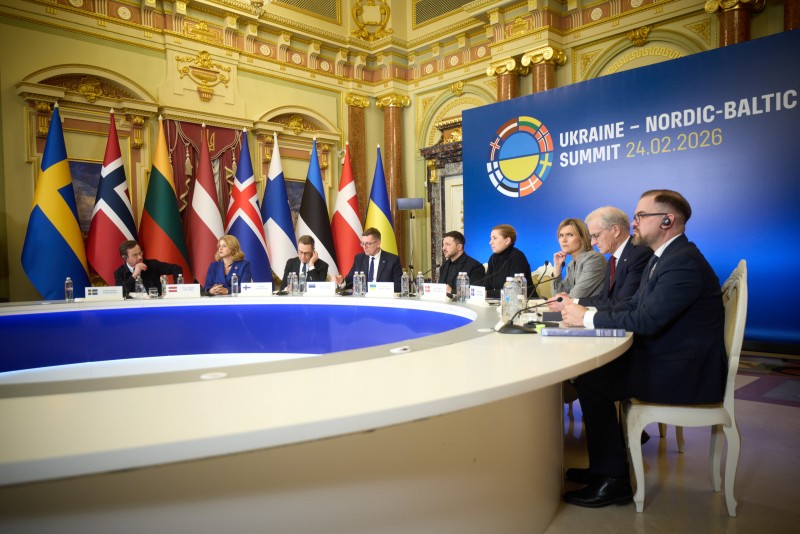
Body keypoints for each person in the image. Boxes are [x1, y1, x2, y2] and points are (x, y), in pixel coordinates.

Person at [560, 190, 727, 508]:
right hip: (670, 359)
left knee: (593, 382)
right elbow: (633, 305)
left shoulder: (682, 262)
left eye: (640, 216)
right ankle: (604, 469)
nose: (633, 222)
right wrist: (587, 313)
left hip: (685, 373)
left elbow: (647, 320)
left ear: (667, 220)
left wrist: (586, 317)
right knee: (591, 376)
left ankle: (614, 481)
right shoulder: (664, 257)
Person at [549, 207, 652, 312]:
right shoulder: (613, 259)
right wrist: (573, 301)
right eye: (560, 235)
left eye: (596, 236)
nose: (593, 242)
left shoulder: (639, 254)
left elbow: (623, 303)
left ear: (615, 230)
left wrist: (573, 304)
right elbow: (603, 297)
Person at [549, 218, 606, 300]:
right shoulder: (571, 264)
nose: (564, 240)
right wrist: (557, 268)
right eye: (561, 235)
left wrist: (560, 300)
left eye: (570, 235)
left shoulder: (594, 259)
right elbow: (557, 296)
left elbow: (576, 296)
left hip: (593, 308)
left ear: (582, 238)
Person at [333, 227, 403, 292]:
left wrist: (378, 288)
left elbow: (399, 285)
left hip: (383, 298)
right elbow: (350, 280)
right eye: (362, 243)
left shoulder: (392, 260)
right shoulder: (359, 258)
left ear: (378, 243)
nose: (364, 247)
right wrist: (342, 281)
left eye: (368, 244)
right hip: (363, 299)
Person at [113, 239, 183, 298]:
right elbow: (120, 293)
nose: (140, 257)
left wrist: (176, 290)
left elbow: (176, 269)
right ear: (125, 258)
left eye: (140, 253)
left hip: (155, 304)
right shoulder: (119, 273)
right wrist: (134, 275)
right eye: (135, 255)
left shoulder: (152, 264)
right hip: (133, 307)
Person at [484, 224, 533, 298]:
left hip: (526, 302)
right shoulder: (493, 258)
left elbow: (513, 291)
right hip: (499, 301)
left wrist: (487, 294)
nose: (490, 242)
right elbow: (487, 284)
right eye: (490, 238)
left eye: (495, 238)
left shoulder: (517, 257)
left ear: (507, 241)